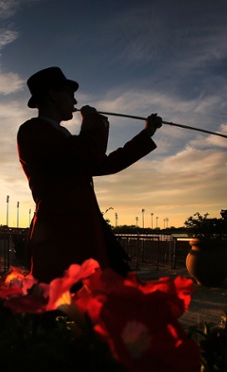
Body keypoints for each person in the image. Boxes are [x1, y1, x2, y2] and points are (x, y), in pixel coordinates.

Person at [17, 66, 162, 282]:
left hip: (83, 235)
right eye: (70, 94)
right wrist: (92, 121)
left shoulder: (62, 137)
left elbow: (106, 164)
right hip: (60, 238)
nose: (75, 102)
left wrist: (145, 134)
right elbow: (87, 153)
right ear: (53, 95)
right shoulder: (32, 131)